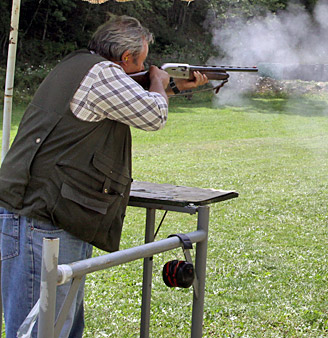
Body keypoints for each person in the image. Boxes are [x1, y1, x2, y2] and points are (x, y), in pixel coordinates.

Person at [0, 15, 207, 338]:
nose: (145, 66)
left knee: (60, 324)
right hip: (42, 218)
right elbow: (153, 115)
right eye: (142, 60)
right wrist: (158, 81)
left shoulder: (83, 66)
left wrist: (173, 87)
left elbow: (125, 102)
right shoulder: (103, 73)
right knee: (42, 329)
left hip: (47, 212)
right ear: (126, 59)